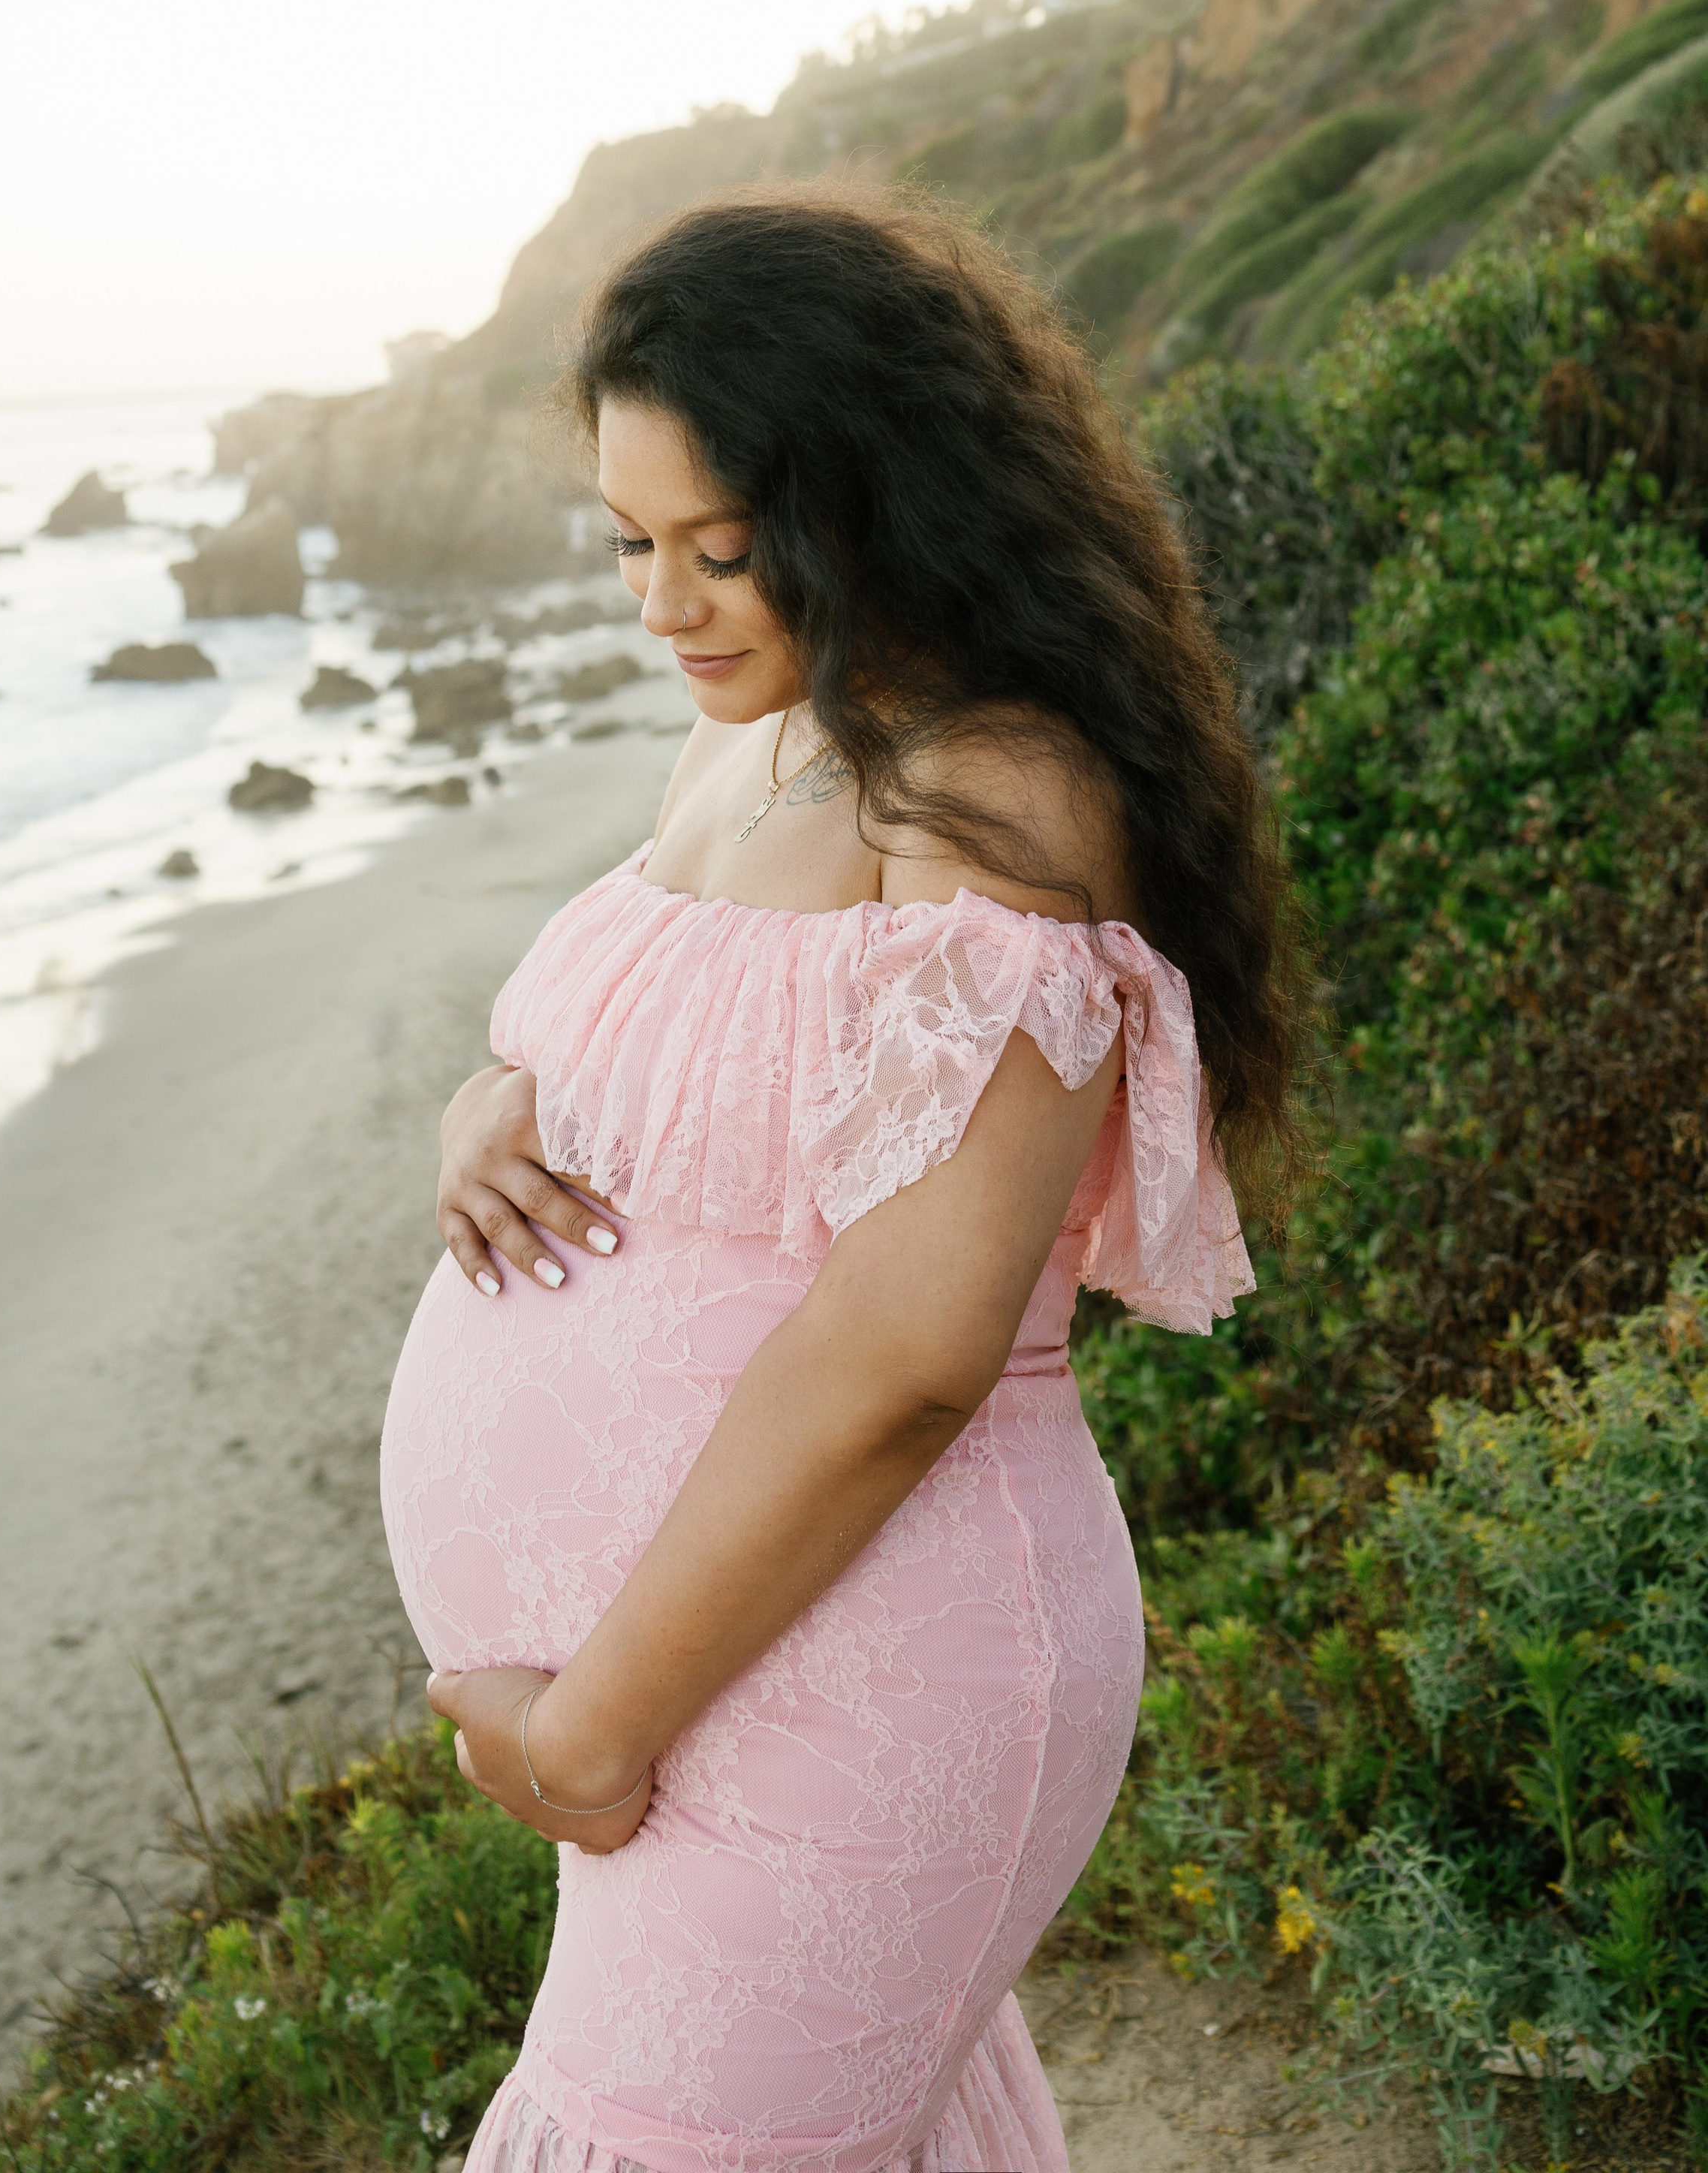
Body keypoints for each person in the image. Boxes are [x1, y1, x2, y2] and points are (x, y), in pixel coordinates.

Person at [381, 188, 1295, 2173]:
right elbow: (660, 1061)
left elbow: (910, 1346)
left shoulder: (992, 795)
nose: (666, 604)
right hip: (714, 1674)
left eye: (728, 548)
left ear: (884, 501)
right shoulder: (748, 748)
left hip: (842, 1676)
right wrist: (492, 1102)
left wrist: (593, 1722)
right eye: (631, 544)